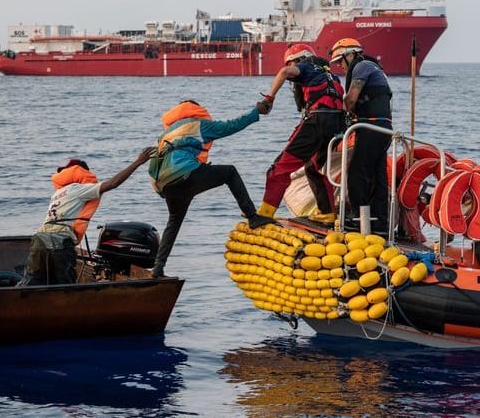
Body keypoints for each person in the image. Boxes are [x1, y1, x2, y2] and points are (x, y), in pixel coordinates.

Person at [148, 99, 273, 278]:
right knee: (230, 172)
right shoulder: (197, 125)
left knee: (173, 222)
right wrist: (256, 112)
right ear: (195, 110)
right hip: (185, 173)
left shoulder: (167, 134)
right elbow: (231, 126)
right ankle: (253, 217)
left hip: (165, 185)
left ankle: (158, 268)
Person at [21, 149, 154, 286]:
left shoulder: (58, 193)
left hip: (39, 240)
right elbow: (113, 183)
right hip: (60, 242)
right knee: (66, 287)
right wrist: (138, 162)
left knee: (33, 282)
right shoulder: (78, 188)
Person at [256, 43, 344, 224]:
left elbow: (283, 72)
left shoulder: (305, 66)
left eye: (291, 64)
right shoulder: (330, 74)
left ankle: (264, 215)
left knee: (279, 168)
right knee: (314, 168)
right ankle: (327, 212)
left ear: (297, 60)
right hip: (337, 125)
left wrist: (269, 99)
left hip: (317, 121)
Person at [329, 38, 393, 233]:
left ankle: (359, 219)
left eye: (341, 61)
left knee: (357, 174)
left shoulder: (362, 67)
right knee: (377, 175)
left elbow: (351, 99)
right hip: (384, 128)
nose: (340, 66)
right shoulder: (376, 69)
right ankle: (380, 222)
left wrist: (338, 111)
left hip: (371, 127)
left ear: (351, 55)